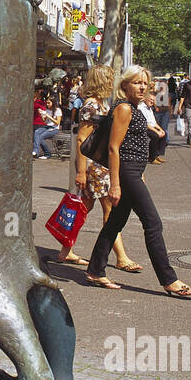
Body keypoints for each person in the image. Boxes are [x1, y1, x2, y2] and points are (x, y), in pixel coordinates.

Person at [85, 64, 191, 298]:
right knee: (153, 223)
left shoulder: (134, 108)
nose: (142, 87)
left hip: (134, 171)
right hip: (126, 171)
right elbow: (114, 148)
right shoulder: (124, 108)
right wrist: (116, 184)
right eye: (137, 82)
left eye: (145, 83)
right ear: (125, 84)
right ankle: (170, 280)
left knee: (116, 222)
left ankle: (96, 269)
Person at [54, 63, 143, 274]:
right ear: (103, 81)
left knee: (84, 208)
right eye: (110, 78)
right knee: (110, 210)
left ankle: (66, 250)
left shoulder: (100, 104)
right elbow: (82, 140)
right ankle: (121, 257)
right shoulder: (91, 106)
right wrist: (81, 172)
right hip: (95, 167)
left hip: (97, 166)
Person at [32, 89, 59, 159]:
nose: (47, 104)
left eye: (49, 103)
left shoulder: (58, 110)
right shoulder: (47, 110)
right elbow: (44, 121)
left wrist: (48, 116)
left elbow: (57, 123)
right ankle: (36, 151)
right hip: (47, 126)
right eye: (47, 103)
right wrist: (42, 115)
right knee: (37, 132)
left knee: (40, 137)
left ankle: (47, 154)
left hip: (54, 128)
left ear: (53, 103)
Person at [150, 75, 170, 164]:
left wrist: (171, 111)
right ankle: (154, 155)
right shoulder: (156, 92)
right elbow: (152, 99)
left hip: (165, 112)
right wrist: (155, 106)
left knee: (164, 131)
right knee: (157, 133)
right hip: (157, 113)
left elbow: (169, 101)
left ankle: (158, 154)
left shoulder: (166, 93)